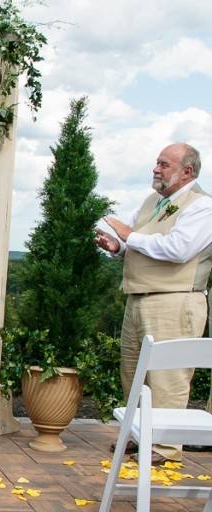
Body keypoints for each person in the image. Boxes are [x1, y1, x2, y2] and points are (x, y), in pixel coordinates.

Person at [95, 143, 212, 464]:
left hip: (175, 301)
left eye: (164, 164)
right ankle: (141, 435)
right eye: (156, 163)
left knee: (167, 377)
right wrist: (117, 246)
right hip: (138, 298)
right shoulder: (153, 202)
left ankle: (165, 449)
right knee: (133, 374)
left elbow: (177, 249)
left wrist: (128, 235)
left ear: (187, 171)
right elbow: (139, 242)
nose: (155, 169)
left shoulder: (202, 206)